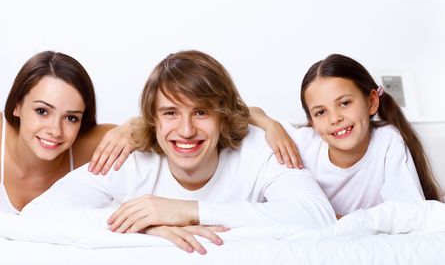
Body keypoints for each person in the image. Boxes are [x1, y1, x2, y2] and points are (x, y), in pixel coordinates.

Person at [22, 50, 336, 254]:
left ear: (222, 115)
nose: (186, 130)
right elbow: (38, 213)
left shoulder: (259, 148)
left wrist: (188, 211)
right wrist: (146, 225)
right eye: (171, 113)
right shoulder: (129, 159)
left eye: (201, 113)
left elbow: (318, 216)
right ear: (153, 119)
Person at [0, 51, 134, 213]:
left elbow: (158, 131)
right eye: (42, 111)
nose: (55, 130)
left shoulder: (88, 143)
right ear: (17, 106)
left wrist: (131, 127)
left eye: (71, 118)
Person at [250, 53, 441, 217]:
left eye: (344, 103)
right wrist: (270, 125)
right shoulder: (300, 143)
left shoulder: (387, 141)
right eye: (320, 112)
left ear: (372, 101)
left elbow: (408, 211)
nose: (335, 119)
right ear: (312, 122)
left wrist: (339, 219)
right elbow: (241, 111)